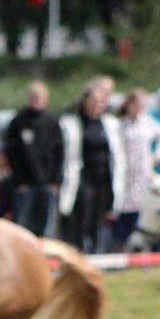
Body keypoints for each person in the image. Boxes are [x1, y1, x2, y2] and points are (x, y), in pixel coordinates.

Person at [58, 86, 126, 254]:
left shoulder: (110, 124)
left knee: (101, 218)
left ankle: (98, 252)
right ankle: (79, 250)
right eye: (93, 101)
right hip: (83, 178)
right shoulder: (72, 123)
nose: (96, 104)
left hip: (104, 179)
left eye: (100, 101)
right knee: (81, 217)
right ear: (84, 101)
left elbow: (117, 154)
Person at [3, 81, 64, 237]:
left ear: (45, 99)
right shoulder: (18, 122)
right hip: (25, 184)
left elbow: (59, 153)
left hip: (47, 184)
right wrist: (19, 181)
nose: (36, 100)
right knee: (22, 225)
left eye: (39, 97)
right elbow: (11, 153)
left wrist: (55, 180)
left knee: (46, 227)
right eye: (33, 97)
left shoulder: (52, 121)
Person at [114, 88, 160, 248]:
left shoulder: (147, 122)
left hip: (143, 172)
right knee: (123, 210)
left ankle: (142, 249)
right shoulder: (120, 123)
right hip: (125, 172)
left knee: (142, 211)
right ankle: (121, 245)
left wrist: (157, 156)